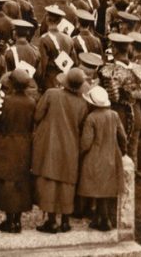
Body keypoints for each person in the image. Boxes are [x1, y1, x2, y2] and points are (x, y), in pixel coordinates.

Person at [32, 67, 89, 233]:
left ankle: (51, 220)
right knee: (67, 181)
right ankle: (65, 220)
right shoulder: (82, 103)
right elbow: (81, 125)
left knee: (49, 180)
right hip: (71, 144)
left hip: (49, 142)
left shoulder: (51, 94)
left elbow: (37, 115)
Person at [0, 67, 36, 232]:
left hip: (6, 143)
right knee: (20, 181)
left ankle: (9, 220)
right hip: (24, 144)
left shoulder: (4, 100)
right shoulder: (31, 102)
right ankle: (17, 220)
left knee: (7, 182)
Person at [77, 85, 127, 232]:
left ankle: (103, 220)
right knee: (105, 189)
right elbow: (122, 136)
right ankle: (100, 219)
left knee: (97, 189)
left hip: (95, 156)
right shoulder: (114, 115)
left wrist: (80, 153)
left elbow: (86, 142)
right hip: (111, 154)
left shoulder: (91, 118)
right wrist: (123, 151)